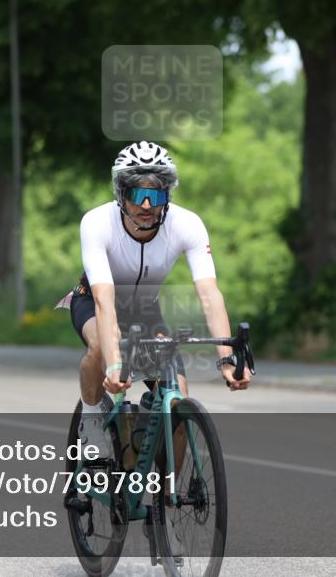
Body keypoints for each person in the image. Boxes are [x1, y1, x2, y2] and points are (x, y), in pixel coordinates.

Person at [66, 141, 251, 458]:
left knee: (177, 402)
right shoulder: (96, 223)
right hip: (94, 302)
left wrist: (226, 359)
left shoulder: (187, 224)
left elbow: (209, 294)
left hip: (145, 311)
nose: (147, 205)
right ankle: (92, 419)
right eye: (138, 194)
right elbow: (104, 301)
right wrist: (114, 363)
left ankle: (166, 488)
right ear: (121, 194)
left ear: (168, 195)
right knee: (99, 347)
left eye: (157, 196)